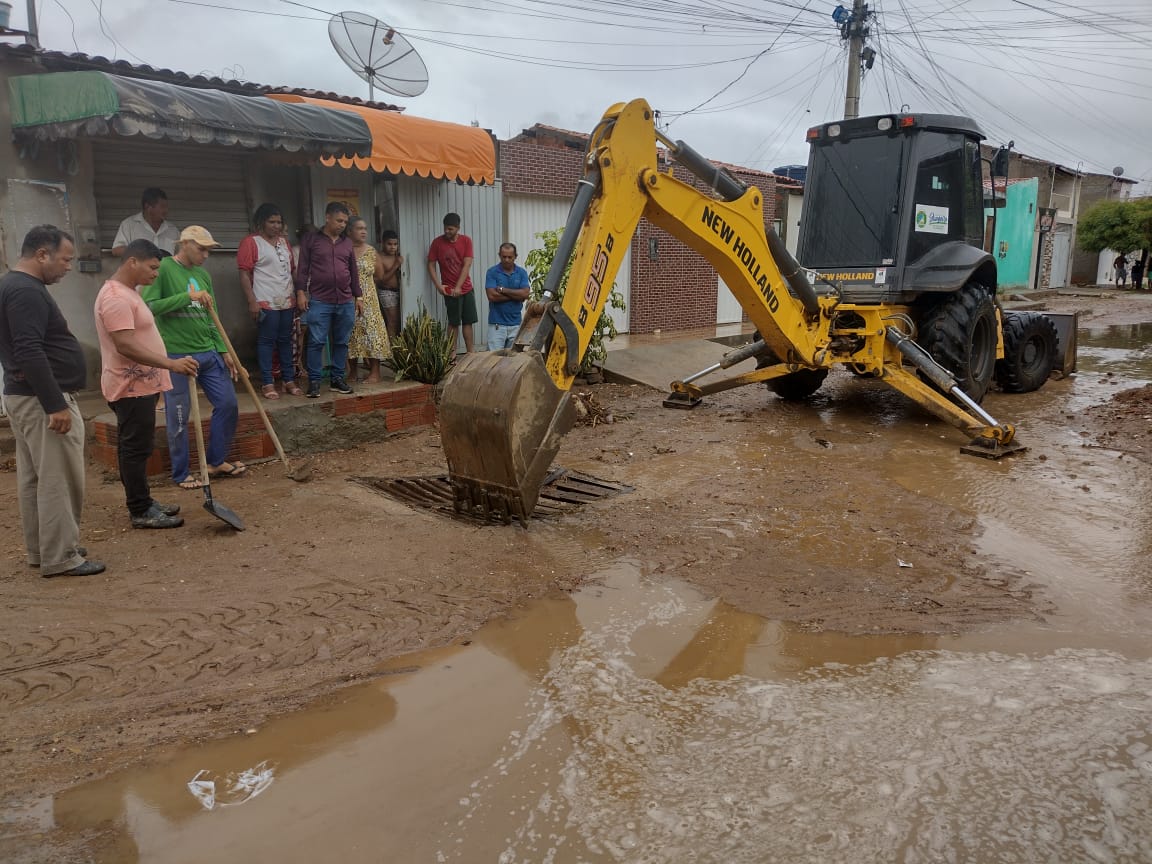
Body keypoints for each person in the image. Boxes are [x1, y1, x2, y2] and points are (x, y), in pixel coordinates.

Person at [0, 225, 105, 577]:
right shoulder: (25, 291)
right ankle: (61, 555)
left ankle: (43, 549)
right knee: (59, 478)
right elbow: (28, 349)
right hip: (41, 399)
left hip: (24, 397)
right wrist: (54, 404)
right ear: (42, 254)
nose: (68, 266)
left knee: (35, 479)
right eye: (65, 259)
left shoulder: (13, 285)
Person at [95, 240, 199, 529]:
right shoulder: (116, 297)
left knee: (137, 447)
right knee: (134, 448)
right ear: (132, 262)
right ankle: (139, 509)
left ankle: (143, 500)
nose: (156, 274)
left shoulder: (130, 293)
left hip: (140, 385)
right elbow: (125, 345)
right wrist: (170, 364)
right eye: (152, 267)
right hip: (129, 386)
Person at [141, 225, 246, 489]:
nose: (206, 255)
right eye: (201, 249)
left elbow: (212, 317)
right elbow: (149, 306)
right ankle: (181, 473)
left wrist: (223, 349)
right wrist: (186, 297)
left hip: (208, 352)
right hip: (176, 354)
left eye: (209, 250)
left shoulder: (203, 275)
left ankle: (215, 460)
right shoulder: (163, 268)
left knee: (228, 404)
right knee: (178, 415)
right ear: (184, 244)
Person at [296, 202, 362, 397]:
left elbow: (353, 272)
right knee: (316, 341)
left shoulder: (347, 243)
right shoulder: (311, 240)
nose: (342, 225)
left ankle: (337, 378)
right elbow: (303, 268)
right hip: (320, 299)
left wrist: (358, 296)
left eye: (345, 222)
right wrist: (300, 292)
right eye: (339, 220)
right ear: (327, 217)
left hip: (345, 300)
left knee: (341, 341)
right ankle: (315, 381)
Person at [237, 203, 302, 399]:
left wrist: (299, 292)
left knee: (285, 341)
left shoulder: (284, 242)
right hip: (265, 300)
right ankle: (267, 382)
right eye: (271, 222)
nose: (276, 226)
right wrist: (252, 301)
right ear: (261, 222)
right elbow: (244, 274)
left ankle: (288, 380)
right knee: (267, 341)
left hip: (286, 300)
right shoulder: (251, 242)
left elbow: (292, 270)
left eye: (279, 222)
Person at [346, 216, 392, 384]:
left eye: (365, 228)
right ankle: (352, 372)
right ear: (349, 231)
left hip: (369, 299)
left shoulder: (371, 251)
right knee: (351, 333)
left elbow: (379, 275)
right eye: (359, 228)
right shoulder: (344, 249)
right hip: (348, 298)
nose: (364, 231)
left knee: (372, 333)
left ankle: (375, 372)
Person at [427, 212, 476, 353]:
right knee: (453, 322)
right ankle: (451, 355)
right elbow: (430, 265)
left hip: (466, 288)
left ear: (458, 228)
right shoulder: (437, 243)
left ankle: (470, 354)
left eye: (450, 229)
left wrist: (459, 287)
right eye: (445, 228)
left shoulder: (466, 241)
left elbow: (467, 264)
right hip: (449, 289)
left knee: (468, 321)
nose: (447, 231)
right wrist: (438, 285)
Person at [484, 243, 531, 350]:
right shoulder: (492, 272)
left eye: (510, 257)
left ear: (515, 256)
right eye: (504, 257)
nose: (507, 260)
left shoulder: (521, 273)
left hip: (516, 324)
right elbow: (492, 296)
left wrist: (503, 290)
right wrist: (517, 296)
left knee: (513, 361)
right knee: (494, 360)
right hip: (496, 325)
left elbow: (525, 294)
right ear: (499, 255)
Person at [111, 188, 180, 257]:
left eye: (166, 207)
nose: (166, 210)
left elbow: (180, 255)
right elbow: (116, 250)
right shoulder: (129, 225)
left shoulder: (173, 230)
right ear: (148, 207)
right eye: (162, 206)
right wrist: (142, 253)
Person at [377, 229, 403, 340]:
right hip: (387, 292)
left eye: (395, 244)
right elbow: (381, 279)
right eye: (389, 244)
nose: (392, 247)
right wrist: (396, 265)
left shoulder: (397, 255)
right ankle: (390, 353)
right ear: (383, 243)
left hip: (399, 292)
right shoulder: (379, 257)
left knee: (399, 321)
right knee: (392, 322)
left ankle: (396, 349)